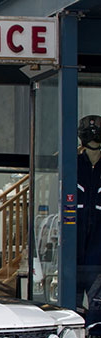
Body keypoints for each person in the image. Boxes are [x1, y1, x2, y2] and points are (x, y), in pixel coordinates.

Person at [76, 115, 101, 310]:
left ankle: (95, 336)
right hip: (74, 246)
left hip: (98, 248)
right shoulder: (73, 166)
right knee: (71, 303)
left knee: (97, 302)